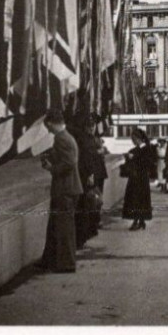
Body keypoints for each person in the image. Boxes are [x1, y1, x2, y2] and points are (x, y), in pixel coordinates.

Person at [38, 110, 81, 273]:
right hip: (67, 188)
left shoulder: (62, 138)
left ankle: (66, 264)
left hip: (65, 189)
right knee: (56, 227)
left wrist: (51, 168)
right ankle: (50, 261)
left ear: (52, 123)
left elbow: (69, 163)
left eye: (48, 127)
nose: (48, 131)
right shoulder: (66, 137)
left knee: (64, 229)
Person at [73, 117, 108, 246]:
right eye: (89, 126)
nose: (92, 128)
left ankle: (91, 228)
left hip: (95, 175)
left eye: (93, 125)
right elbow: (88, 159)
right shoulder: (88, 140)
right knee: (91, 202)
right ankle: (90, 229)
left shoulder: (89, 140)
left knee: (93, 202)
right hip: (92, 176)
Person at [121, 127, 158, 231]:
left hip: (140, 178)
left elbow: (148, 163)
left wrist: (133, 158)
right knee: (138, 199)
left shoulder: (147, 149)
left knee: (137, 199)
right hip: (136, 178)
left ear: (139, 138)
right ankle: (141, 221)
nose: (133, 141)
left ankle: (137, 221)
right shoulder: (137, 150)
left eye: (134, 139)